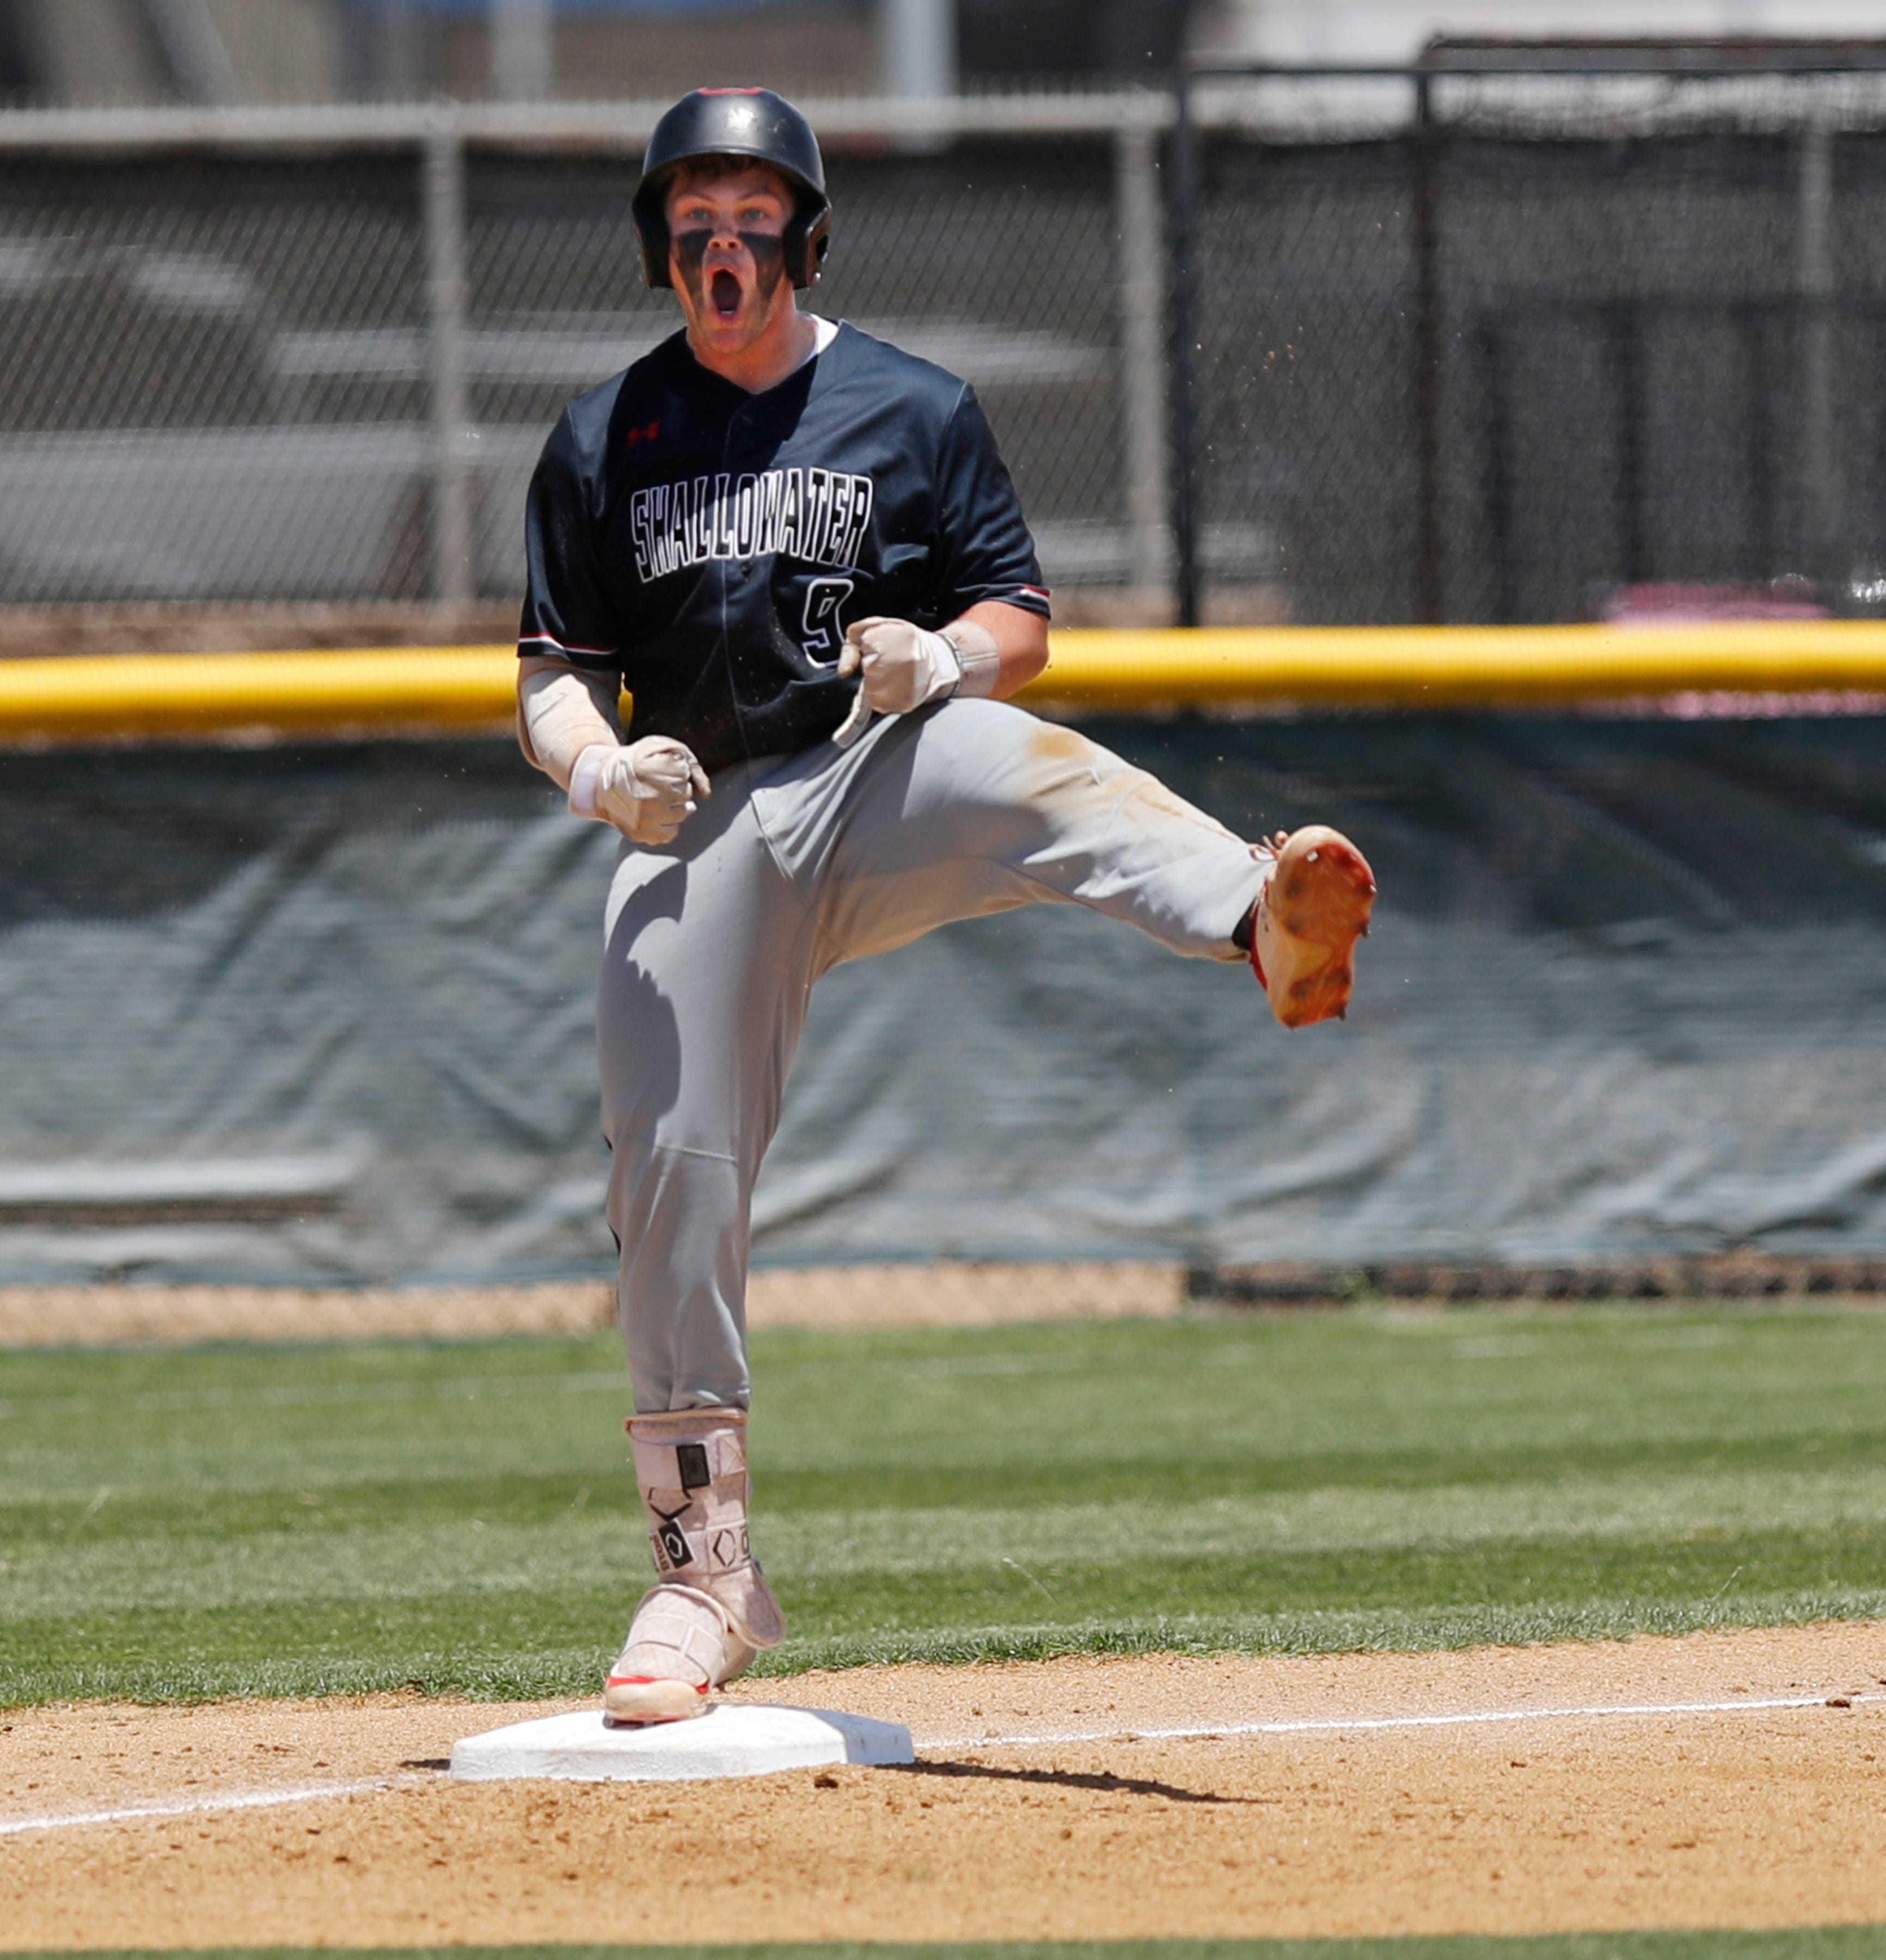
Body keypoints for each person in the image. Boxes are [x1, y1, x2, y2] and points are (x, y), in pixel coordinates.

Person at [514, 86, 1377, 1725]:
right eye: (693, 221)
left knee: (1018, 762)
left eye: (752, 216)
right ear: (656, 247)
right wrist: (594, 769)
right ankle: (703, 1574)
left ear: (806, 238)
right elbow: (552, 671)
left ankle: (1254, 920)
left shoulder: (912, 407)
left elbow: (1018, 619)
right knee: (669, 1162)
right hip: (701, 824)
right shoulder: (604, 435)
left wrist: (947, 653)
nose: (721, 246)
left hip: (869, 769)